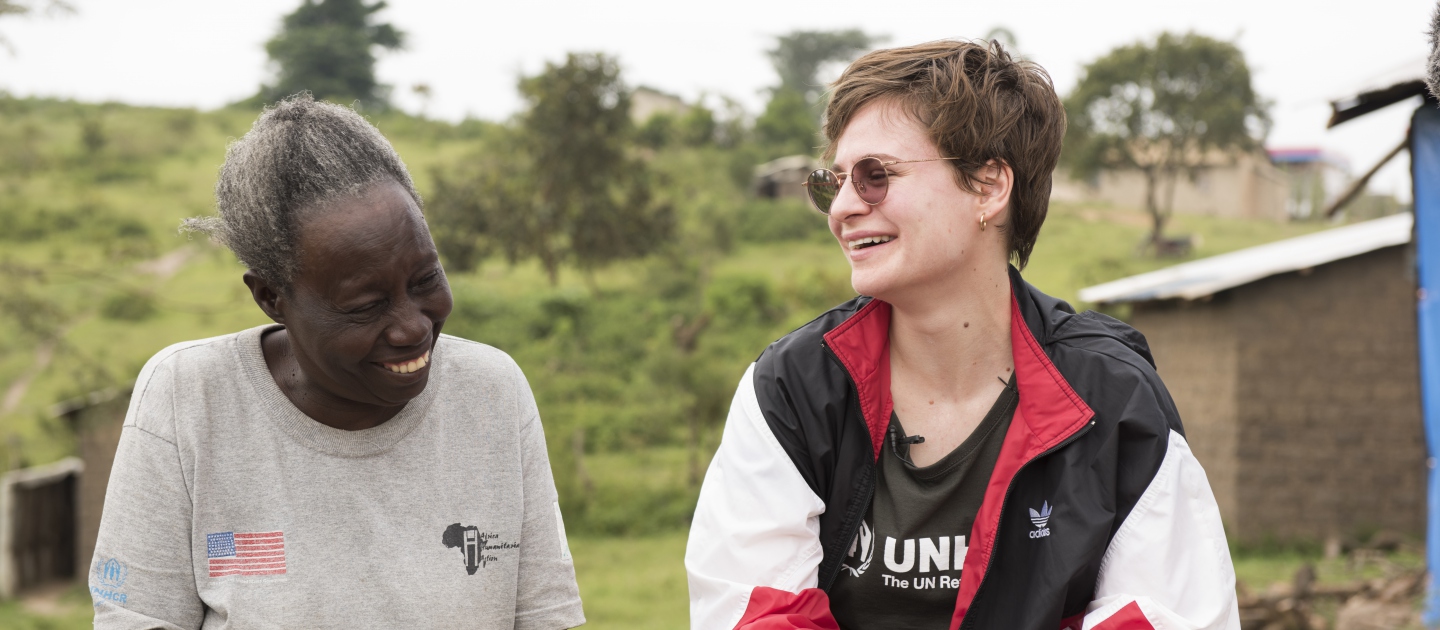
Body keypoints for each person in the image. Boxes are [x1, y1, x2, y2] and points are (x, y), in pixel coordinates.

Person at [686, 40, 1239, 630]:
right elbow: (752, 615)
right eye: (835, 181)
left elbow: (1167, 615)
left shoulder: (1113, 402)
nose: (842, 207)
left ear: (989, 186)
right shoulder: (791, 389)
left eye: (876, 176)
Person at [88, 94, 585, 630]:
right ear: (272, 297)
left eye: (425, 281)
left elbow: (544, 617)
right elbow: (136, 616)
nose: (413, 326)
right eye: (365, 307)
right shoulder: (188, 398)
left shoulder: (492, 392)